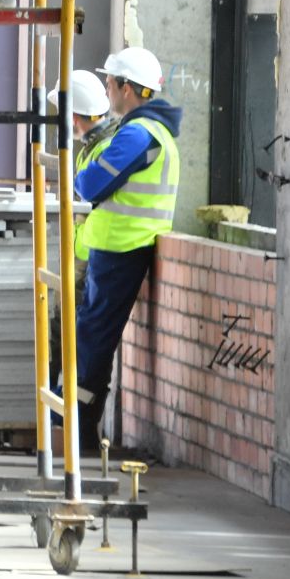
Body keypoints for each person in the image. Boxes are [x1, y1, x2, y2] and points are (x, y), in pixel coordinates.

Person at [71, 45, 181, 450]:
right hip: (120, 249)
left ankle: (81, 432)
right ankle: (79, 426)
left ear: (127, 88)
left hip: (122, 250)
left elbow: (90, 185)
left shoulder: (137, 134)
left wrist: (85, 169)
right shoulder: (144, 131)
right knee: (91, 336)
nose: (105, 88)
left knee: (94, 339)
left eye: (110, 81)